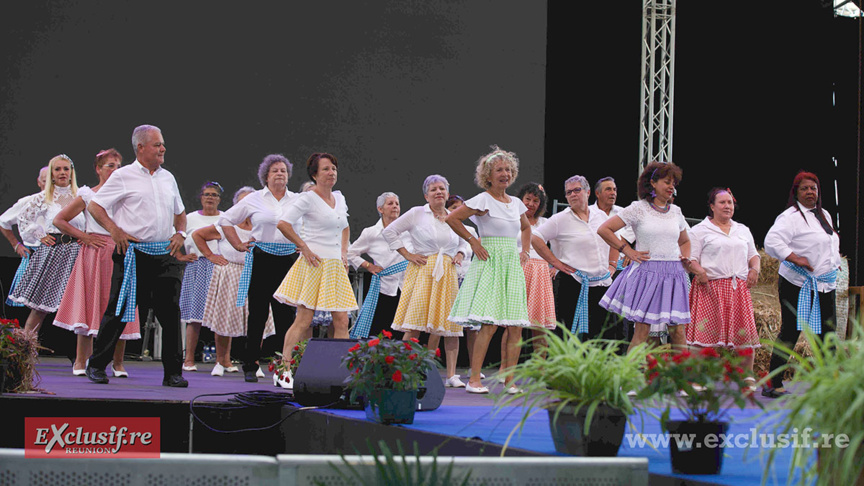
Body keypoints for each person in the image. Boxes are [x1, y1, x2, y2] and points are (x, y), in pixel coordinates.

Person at [85, 124, 188, 387]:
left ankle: (173, 373)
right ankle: (96, 365)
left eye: (163, 143)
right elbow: (95, 206)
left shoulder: (169, 178)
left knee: (170, 313)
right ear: (140, 148)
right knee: (118, 312)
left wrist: (180, 234)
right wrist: (114, 230)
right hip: (133, 255)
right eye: (157, 144)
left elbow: (180, 212)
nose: (163, 148)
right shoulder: (123, 176)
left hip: (165, 254)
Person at [446, 146, 533, 395]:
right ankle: (474, 379)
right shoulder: (483, 200)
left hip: (511, 264)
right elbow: (453, 219)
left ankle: (510, 381)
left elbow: (526, 228)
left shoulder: (516, 203)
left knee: (515, 326)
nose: (504, 174)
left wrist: (524, 251)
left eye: (508, 169)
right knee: (489, 324)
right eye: (499, 170)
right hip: (490, 261)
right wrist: (473, 241)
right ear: (488, 175)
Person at [53, 149, 140, 377]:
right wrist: (83, 236)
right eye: (110, 166)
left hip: (121, 251)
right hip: (95, 252)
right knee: (90, 304)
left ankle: (117, 363)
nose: (115, 170)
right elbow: (59, 220)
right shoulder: (88, 195)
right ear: (98, 169)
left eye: (118, 166)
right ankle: (81, 360)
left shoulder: (127, 196)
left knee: (121, 306)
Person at [273, 152, 358, 389]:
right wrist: (303, 247)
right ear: (314, 174)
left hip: (335, 266)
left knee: (341, 319)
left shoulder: (340, 199)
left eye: (334, 169)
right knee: (304, 319)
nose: (331, 173)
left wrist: (343, 252)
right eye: (326, 169)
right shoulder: (307, 199)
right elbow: (283, 223)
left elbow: (345, 226)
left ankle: (340, 371)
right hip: (314, 264)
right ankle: (284, 369)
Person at [218, 154, 300, 383]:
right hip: (262, 259)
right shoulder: (254, 199)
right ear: (266, 175)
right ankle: (250, 365)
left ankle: (286, 367)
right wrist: (236, 243)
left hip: (288, 260)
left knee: (286, 317)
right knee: (257, 315)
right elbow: (225, 220)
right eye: (275, 170)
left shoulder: (297, 200)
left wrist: (305, 245)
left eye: (283, 170)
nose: (280, 173)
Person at [597, 161, 691, 355]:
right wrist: (627, 251)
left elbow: (685, 241)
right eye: (666, 181)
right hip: (649, 274)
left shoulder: (676, 211)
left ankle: (684, 381)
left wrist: (686, 259)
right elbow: (604, 229)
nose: (671, 186)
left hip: (674, 275)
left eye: (673, 183)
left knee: (678, 332)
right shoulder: (638, 208)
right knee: (642, 332)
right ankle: (627, 380)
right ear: (653, 183)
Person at [382, 176, 467, 387]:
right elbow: (389, 231)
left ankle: (451, 375)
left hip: (447, 273)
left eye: (442, 189)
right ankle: (402, 370)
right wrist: (408, 254)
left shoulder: (453, 216)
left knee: (449, 325)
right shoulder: (417, 213)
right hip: (423, 271)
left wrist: (459, 254)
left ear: (447, 193)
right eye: (433, 189)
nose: (438, 192)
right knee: (415, 324)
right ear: (426, 195)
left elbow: (465, 240)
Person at [763, 171, 841, 398]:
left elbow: (829, 242)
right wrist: (796, 258)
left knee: (827, 333)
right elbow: (772, 241)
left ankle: (831, 383)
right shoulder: (790, 217)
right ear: (796, 192)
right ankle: (772, 383)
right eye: (805, 188)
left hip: (824, 284)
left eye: (813, 188)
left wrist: (833, 262)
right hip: (797, 283)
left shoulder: (823, 214)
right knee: (791, 330)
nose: (810, 192)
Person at [194, 186, 276, 376]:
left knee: (258, 319)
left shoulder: (261, 226)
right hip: (230, 274)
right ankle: (222, 361)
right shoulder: (225, 226)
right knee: (224, 318)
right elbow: (197, 235)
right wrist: (210, 255)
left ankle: (253, 361)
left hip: (256, 274)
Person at [684, 188, 760, 390]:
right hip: (710, 287)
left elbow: (754, 255)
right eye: (723, 203)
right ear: (712, 206)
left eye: (730, 203)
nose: (728, 206)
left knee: (744, 334)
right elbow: (690, 259)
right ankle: (696, 377)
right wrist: (699, 272)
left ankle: (747, 376)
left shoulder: (742, 229)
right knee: (704, 334)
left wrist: (755, 269)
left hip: (738, 288)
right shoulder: (699, 230)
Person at [532, 175, 620, 342]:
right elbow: (536, 237)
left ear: (588, 192)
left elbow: (614, 239)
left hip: (601, 282)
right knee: (567, 334)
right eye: (568, 192)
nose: (572, 194)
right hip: (572, 282)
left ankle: (597, 368)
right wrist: (555, 262)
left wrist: (613, 265)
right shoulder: (560, 219)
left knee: (602, 334)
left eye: (576, 190)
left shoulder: (600, 215)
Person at [8, 155, 83, 335]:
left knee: (79, 309)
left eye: (66, 169)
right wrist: (40, 235)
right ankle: (26, 353)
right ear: (51, 174)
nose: (62, 173)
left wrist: (85, 236)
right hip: (54, 252)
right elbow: (24, 219)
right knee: (40, 307)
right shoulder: (43, 197)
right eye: (57, 169)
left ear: (72, 172)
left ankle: (80, 359)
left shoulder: (82, 196)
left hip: (78, 254)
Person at [496, 182, 554, 378]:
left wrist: (555, 266)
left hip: (540, 274)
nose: (531, 204)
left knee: (540, 326)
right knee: (513, 323)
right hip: (517, 271)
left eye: (536, 200)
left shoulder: (546, 223)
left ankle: (540, 370)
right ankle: (506, 369)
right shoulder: (513, 221)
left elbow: (559, 246)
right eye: (527, 199)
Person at [347, 192, 410, 339]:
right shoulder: (371, 233)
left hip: (405, 285)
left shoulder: (408, 231)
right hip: (383, 287)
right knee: (380, 329)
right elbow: (350, 253)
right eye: (390, 203)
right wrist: (368, 265)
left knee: (403, 329)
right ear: (380, 209)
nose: (395, 206)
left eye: (397, 203)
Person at [180, 182, 224, 371]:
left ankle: (222, 361)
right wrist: (180, 256)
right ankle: (189, 359)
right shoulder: (190, 219)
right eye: (207, 194)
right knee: (194, 316)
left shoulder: (226, 219)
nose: (210, 198)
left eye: (214, 195)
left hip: (219, 269)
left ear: (219, 199)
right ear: (201, 197)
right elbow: (174, 238)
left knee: (221, 316)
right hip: (197, 268)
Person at [1, 167, 48, 307]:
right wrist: (16, 244)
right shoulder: (29, 202)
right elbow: (3, 221)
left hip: (57, 258)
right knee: (25, 306)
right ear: (39, 183)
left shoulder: (67, 203)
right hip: (33, 255)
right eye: (45, 181)